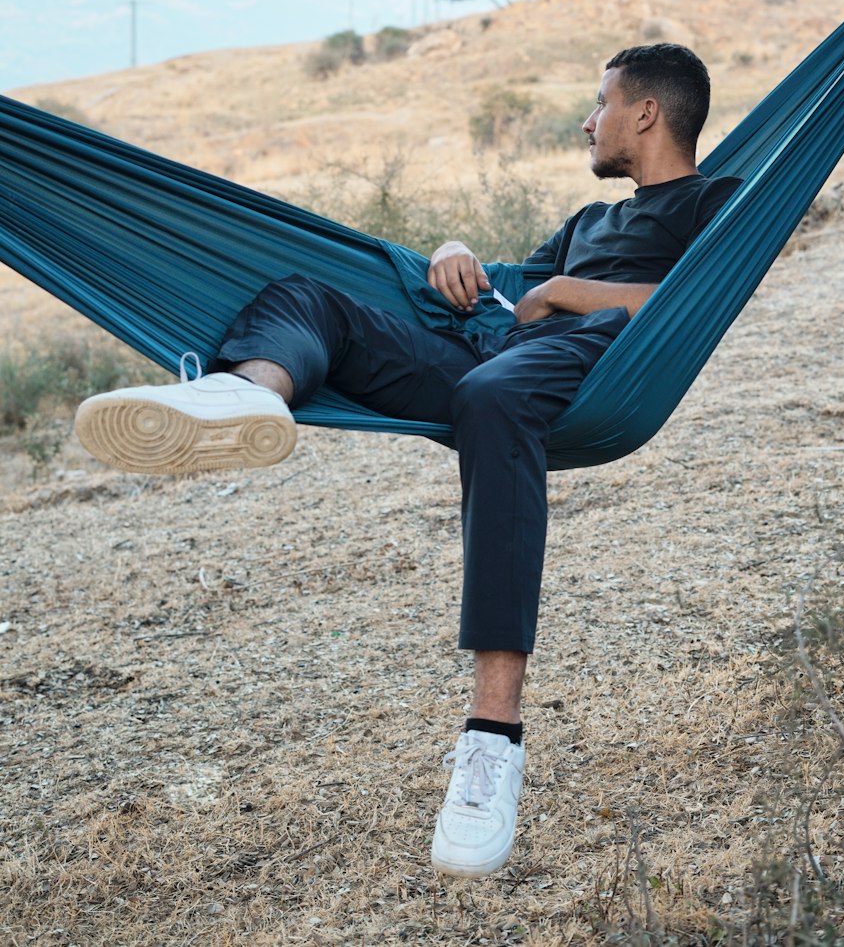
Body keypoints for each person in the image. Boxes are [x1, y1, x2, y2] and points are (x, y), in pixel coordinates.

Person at [74, 43, 739, 879]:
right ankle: (245, 392)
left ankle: (491, 742)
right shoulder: (588, 222)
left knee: (492, 397)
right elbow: (510, 286)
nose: (587, 118)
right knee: (309, 293)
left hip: (592, 362)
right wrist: (455, 252)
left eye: (600, 101)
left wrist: (570, 294)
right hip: (493, 357)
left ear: (645, 112)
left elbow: (690, 300)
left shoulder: (718, 200)